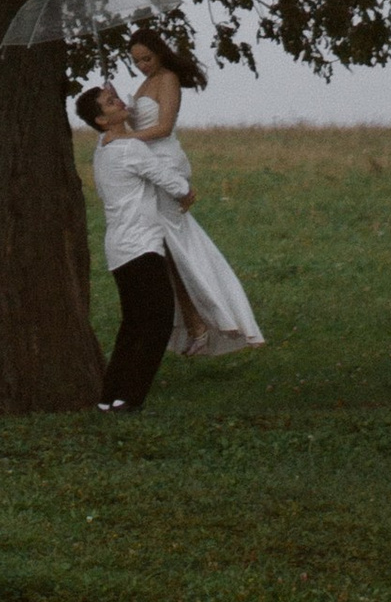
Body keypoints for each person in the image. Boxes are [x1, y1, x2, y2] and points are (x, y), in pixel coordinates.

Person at [75, 26, 265, 410]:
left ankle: (115, 396)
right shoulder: (121, 145)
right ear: (102, 119)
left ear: (160, 53)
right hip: (141, 217)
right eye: (136, 61)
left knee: (141, 310)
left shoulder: (112, 142)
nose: (142, 66)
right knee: (152, 317)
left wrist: (117, 125)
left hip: (143, 191)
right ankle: (130, 397)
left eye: (147, 58)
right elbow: (166, 178)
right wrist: (122, 128)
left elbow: (162, 129)